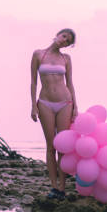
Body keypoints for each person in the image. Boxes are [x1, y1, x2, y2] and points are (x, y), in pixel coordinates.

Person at [30, 28, 78, 199]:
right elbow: (34, 82)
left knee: (62, 148)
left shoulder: (66, 58)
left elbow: (70, 83)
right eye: (64, 36)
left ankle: (63, 188)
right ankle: (54, 187)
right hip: (44, 103)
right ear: (58, 34)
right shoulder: (38, 54)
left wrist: (75, 107)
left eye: (68, 41)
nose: (64, 41)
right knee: (50, 147)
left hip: (65, 102)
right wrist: (33, 106)